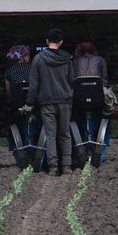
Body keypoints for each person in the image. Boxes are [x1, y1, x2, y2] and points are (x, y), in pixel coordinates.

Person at [29, 27, 73, 175]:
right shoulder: (67, 58)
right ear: (61, 42)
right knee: (65, 133)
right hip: (65, 101)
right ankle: (67, 166)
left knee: (51, 134)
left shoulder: (38, 59)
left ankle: (53, 167)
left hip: (46, 102)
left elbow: (34, 84)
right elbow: (72, 80)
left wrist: (29, 103)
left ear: (47, 41)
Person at [69, 41, 117, 168]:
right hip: (97, 100)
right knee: (109, 107)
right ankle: (104, 135)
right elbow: (105, 80)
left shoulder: (74, 62)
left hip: (78, 101)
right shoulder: (100, 60)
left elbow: (71, 81)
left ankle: (76, 146)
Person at [3, 45, 41, 169]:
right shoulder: (34, 69)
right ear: (23, 56)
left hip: (18, 105)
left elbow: (9, 93)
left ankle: (15, 142)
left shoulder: (9, 71)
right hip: (35, 104)